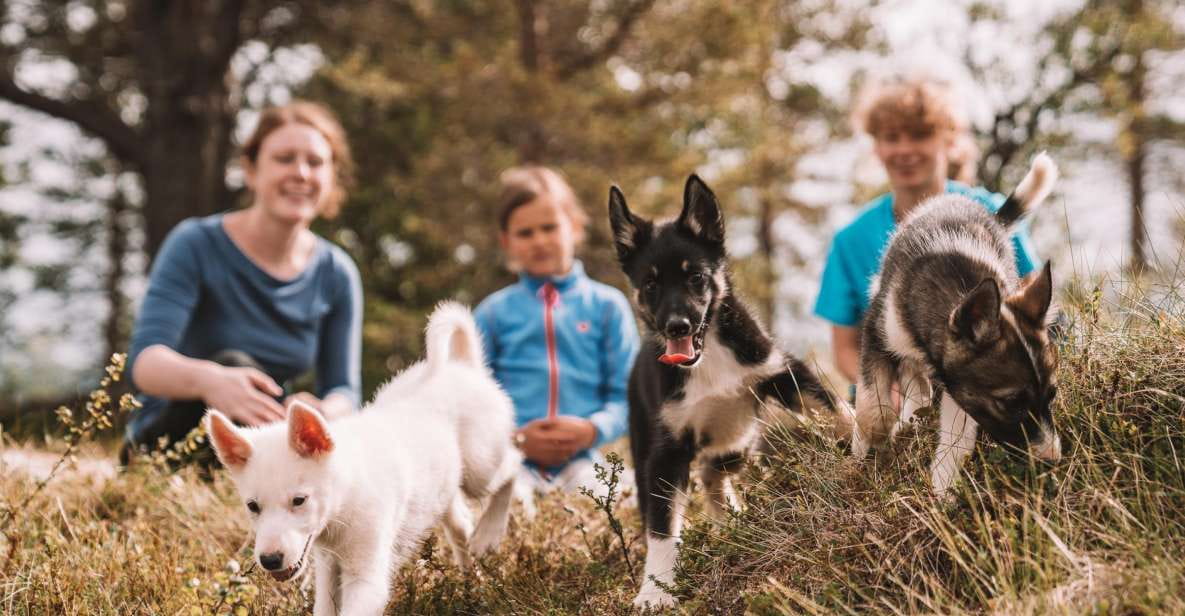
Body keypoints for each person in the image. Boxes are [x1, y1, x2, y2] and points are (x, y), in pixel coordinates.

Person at [122, 100, 363, 462]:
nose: (301, 172)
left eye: (315, 162)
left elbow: (345, 391)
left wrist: (323, 411)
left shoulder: (337, 273)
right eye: (284, 159)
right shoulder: (195, 244)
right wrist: (211, 381)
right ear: (251, 170)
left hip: (265, 446)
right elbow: (145, 364)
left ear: (331, 179)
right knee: (235, 363)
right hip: (166, 446)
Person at [815, 77, 1041, 387]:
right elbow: (845, 348)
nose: (905, 149)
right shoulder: (851, 240)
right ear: (877, 147)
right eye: (891, 137)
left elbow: (1030, 302)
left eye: (920, 135)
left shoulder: (991, 212)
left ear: (949, 140)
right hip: (891, 407)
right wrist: (887, 393)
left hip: (983, 394)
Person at [474, 166, 640, 512]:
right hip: (510, 464)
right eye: (525, 232)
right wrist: (516, 441)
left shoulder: (607, 306)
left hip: (584, 461)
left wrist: (592, 430)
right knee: (508, 512)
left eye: (550, 227)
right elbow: (471, 406)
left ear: (575, 227)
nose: (539, 240)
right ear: (506, 241)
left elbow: (631, 398)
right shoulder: (492, 314)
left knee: (621, 507)